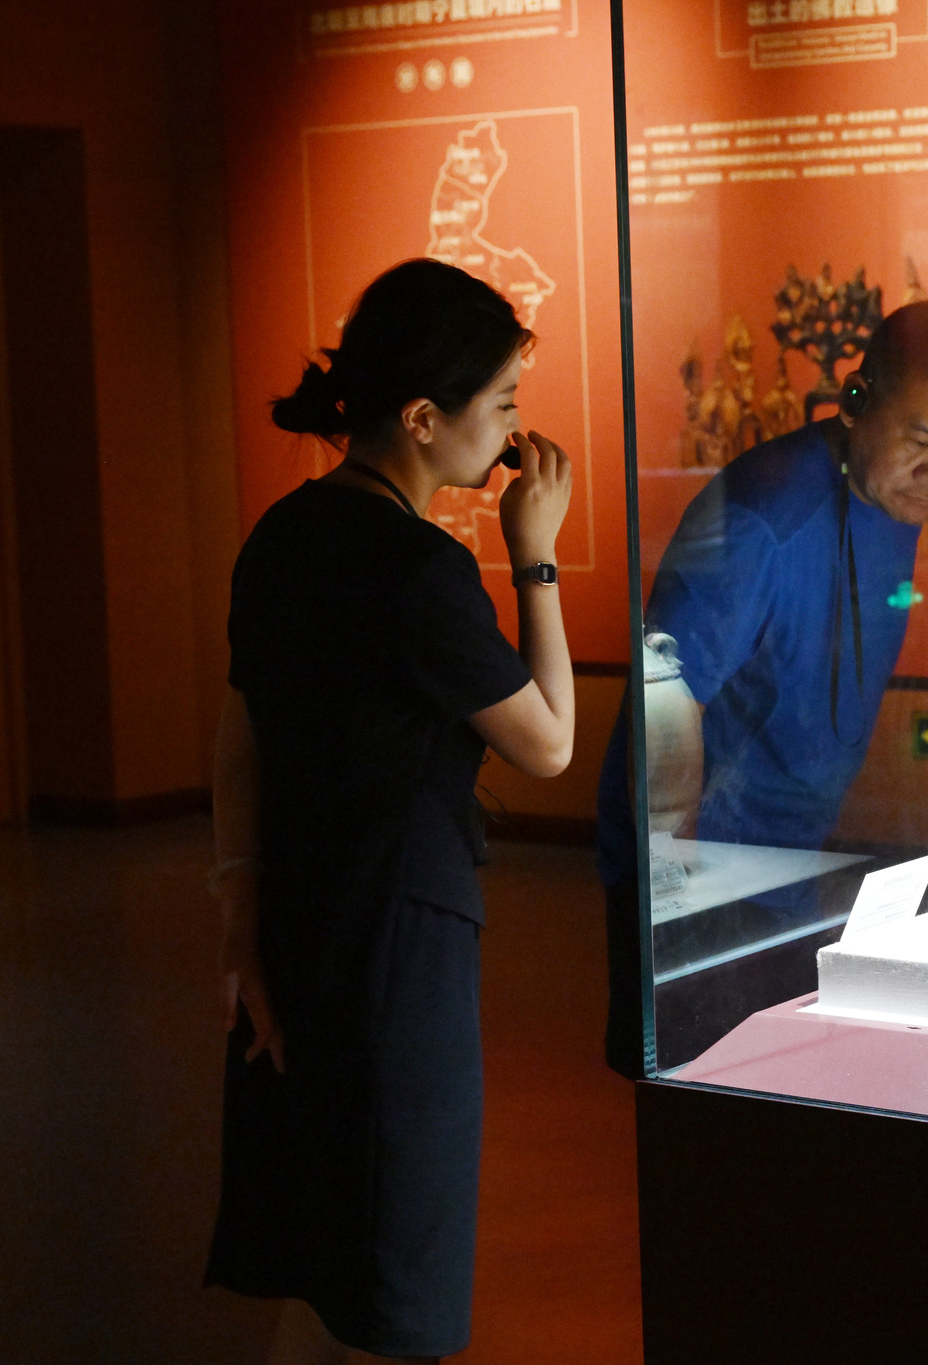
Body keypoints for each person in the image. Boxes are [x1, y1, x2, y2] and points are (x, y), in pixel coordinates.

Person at [204, 258, 576, 1364]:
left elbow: (239, 738)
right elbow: (551, 743)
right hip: (398, 940)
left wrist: (239, 921)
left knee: (320, 1262)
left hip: (298, 921)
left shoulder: (282, 533)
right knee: (394, 1264)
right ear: (423, 418)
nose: (514, 433)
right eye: (501, 405)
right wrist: (535, 554)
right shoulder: (415, 571)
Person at [595, 299, 928, 1077]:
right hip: (699, 879)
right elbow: (665, 692)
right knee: (706, 1103)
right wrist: (671, 891)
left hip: (791, 867)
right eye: (921, 441)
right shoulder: (764, 516)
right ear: (856, 403)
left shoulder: (888, 493)